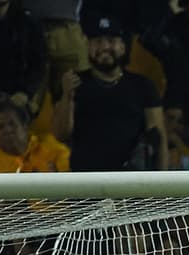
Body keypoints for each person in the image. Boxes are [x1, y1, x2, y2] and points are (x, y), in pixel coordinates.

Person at [55, 16, 167, 172]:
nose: (104, 47)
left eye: (111, 40)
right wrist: (67, 96)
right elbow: (61, 135)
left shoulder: (143, 86)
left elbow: (158, 139)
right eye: (98, 41)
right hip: (85, 184)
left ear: (122, 46)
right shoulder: (73, 83)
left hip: (131, 185)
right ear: (87, 45)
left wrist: (161, 188)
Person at [0, 99, 70, 173]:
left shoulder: (54, 150)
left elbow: (71, 185)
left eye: (12, 124)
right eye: (0, 127)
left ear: (25, 127)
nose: (8, 130)